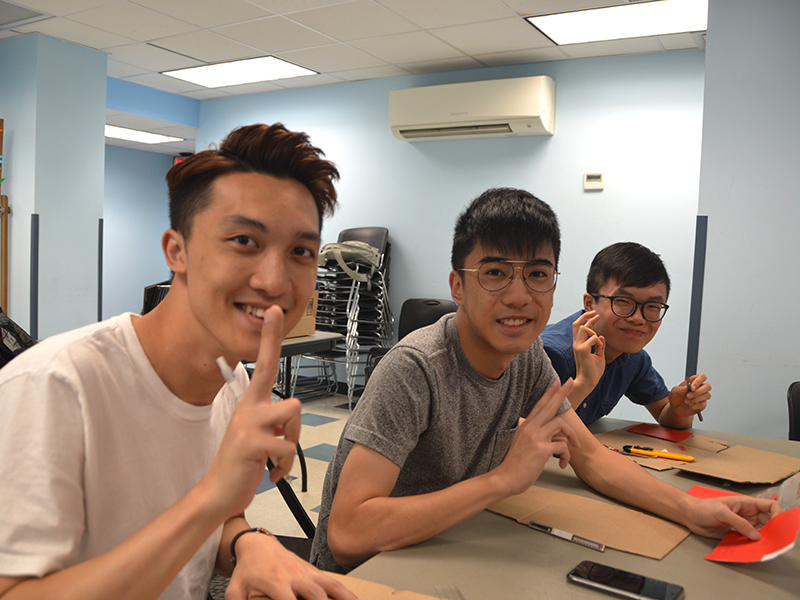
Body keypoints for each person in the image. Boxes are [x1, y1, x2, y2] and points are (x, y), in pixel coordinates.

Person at [309, 188, 779, 574]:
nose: (519, 296)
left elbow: (591, 456)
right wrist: (501, 481)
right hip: (369, 575)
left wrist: (691, 510)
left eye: (538, 275)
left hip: (445, 546)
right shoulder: (414, 369)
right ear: (458, 286)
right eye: (494, 273)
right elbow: (348, 536)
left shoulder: (528, 358)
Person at [0, 123, 356, 600]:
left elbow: (218, 522)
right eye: (245, 241)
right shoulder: (54, 388)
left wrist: (247, 542)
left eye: (300, 252)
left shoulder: (231, 385)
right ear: (177, 250)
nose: (275, 280)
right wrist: (211, 498)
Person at [540, 242, 709, 428]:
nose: (638, 318)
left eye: (653, 306)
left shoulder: (631, 358)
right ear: (589, 303)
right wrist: (583, 383)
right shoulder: (549, 354)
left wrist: (679, 410)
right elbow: (531, 434)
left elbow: (663, 412)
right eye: (623, 301)